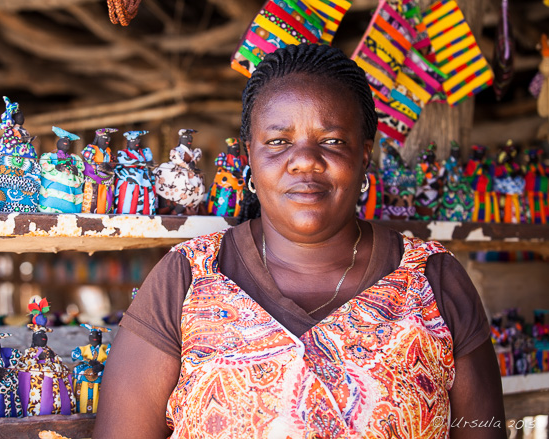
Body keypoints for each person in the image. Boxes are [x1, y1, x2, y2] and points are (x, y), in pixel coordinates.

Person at [95, 44, 505, 438]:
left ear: (364, 155)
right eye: (278, 141)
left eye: (332, 140)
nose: (305, 158)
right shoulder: (188, 278)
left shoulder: (434, 280)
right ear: (248, 157)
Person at [71, 324, 111, 414]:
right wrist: (86, 360)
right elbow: (74, 354)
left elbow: (113, 356)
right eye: (92, 335)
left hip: (101, 370)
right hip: (85, 370)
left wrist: (103, 365)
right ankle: (80, 409)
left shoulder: (106, 348)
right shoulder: (83, 349)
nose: (95, 337)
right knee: (79, 373)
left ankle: (100, 412)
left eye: (98, 335)